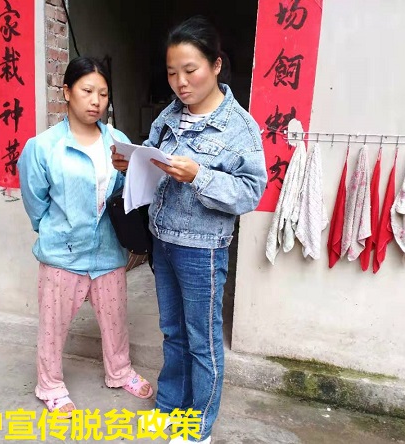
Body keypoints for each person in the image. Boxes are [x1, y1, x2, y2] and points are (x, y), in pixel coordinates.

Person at [111, 16, 267, 444]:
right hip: (163, 239)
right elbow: (154, 159)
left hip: (203, 248)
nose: (180, 82)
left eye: (190, 70)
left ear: (216, 65)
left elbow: (250, 192)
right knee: (173, 332)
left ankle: (198, 427)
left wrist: (199, 175)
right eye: (171, 72)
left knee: (202, 340)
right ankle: (169, 408)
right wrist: (132, 163)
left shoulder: (239, 127)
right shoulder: (170, 115)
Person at [17, 56, 153, 416]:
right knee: (53, 326)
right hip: (63, 253)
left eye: (103, 94)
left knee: (115, 320)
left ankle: (119, 371)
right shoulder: (43, 147)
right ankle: (49, 385)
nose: (96, 101)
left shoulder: (118, 142)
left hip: (107, 250)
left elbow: (128, 193)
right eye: (87, 91)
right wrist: (54, 231)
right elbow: (35, 202)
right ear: (67, 92)